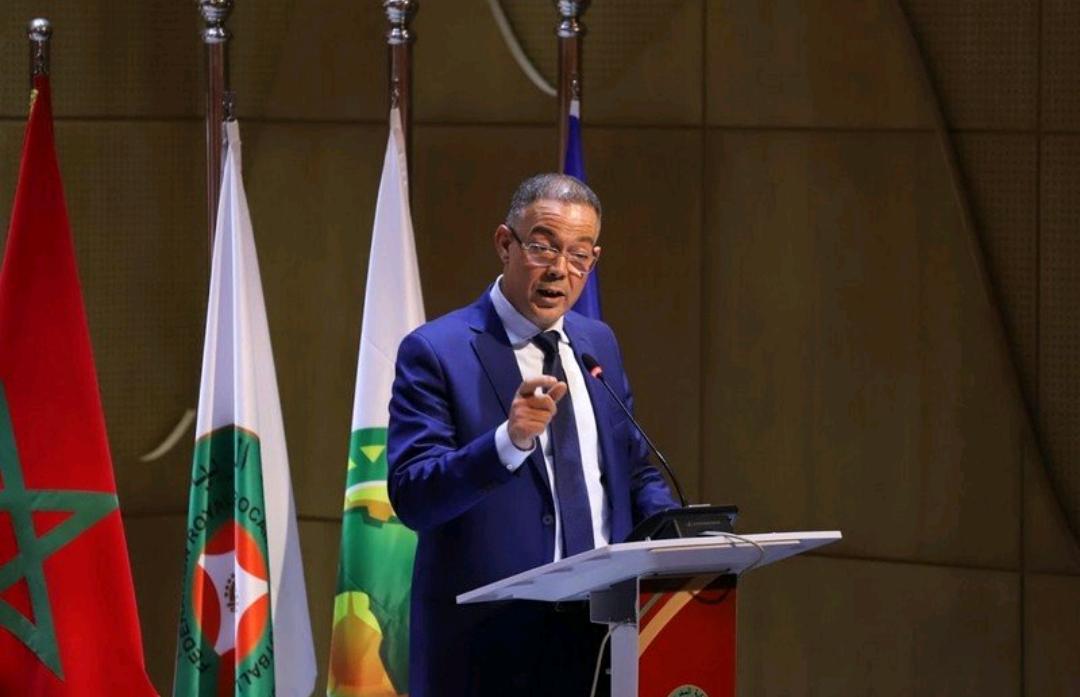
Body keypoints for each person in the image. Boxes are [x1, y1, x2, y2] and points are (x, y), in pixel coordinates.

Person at [387, 173, 677, 697]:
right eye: (543, 247)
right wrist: (508, 442)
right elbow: (414, 497)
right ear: (505, 243)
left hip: (603, 638)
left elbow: (630, 471)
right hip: (487, 653)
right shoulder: (436, 351)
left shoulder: (597, 344)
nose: (560, 269)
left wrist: (681, 538)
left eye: (579, 255)